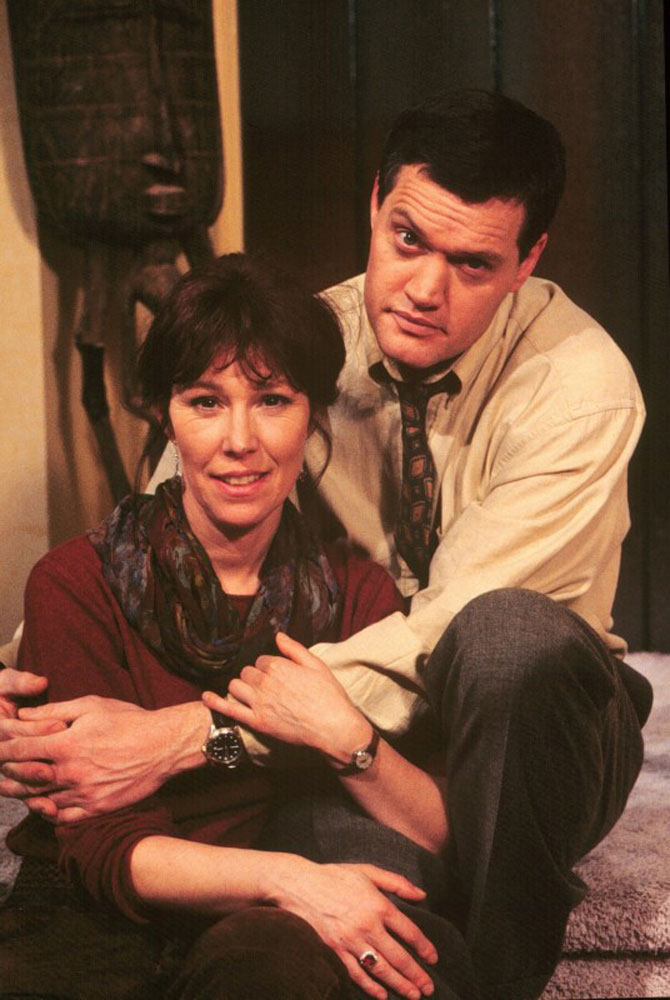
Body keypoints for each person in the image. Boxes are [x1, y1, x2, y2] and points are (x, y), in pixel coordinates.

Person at [0, 90, 653, 1000]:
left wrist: (192, 734)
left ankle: (502, 974)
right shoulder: (303, 343)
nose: (424, 290)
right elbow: (157, 535)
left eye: (473, 263)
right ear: (374, 203)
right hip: (337, 726)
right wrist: (37, 689)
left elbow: (449, 634)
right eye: (407, 238)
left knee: (507, 639)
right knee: (324, 905)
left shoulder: (579, 388)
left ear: (528, 259)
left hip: (532, 715)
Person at [0, 253, 476, 1000]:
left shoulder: (358, 595)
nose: (240, 440)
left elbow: (440, 831)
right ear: (165, 415)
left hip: (262, 925)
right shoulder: (75, 581)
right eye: (206, 401)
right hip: (94, 906)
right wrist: (290, 879)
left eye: (273, 400)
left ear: (313, 417)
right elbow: (99, 843)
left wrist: (349, 739)